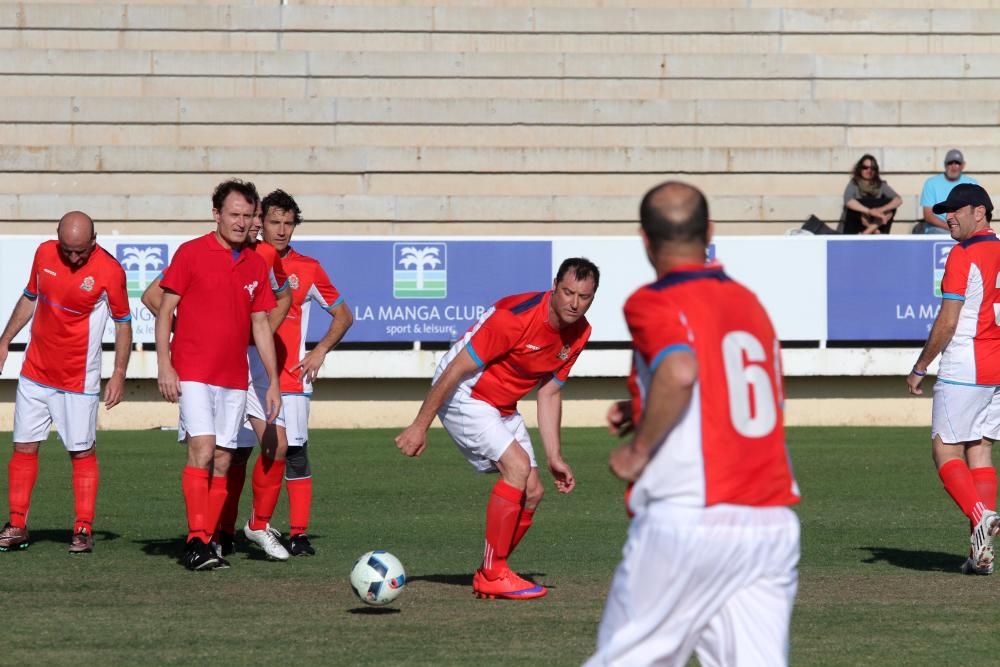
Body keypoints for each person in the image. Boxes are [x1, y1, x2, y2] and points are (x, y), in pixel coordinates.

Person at [586, 182, 800, 666]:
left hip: (690, 517)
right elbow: (721, 380)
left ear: (644, 239)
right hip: (769, 522)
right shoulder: (750, 302)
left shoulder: (653, 300)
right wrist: (642, 403)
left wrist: (638, 450)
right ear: (710, 233)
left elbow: (680, 371)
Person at [394, 258, 598, 600]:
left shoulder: (581, 332)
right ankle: (493, 573)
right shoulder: (515, 318)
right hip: (465, 393)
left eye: (584, 296)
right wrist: (420, 425)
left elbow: (549, 391)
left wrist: (555, 456)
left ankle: (492, 569)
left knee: (533, 491)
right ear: (554, 286)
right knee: (516, 469)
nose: (574, 303)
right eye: (567, 292)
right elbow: (455, 369)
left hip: (502, 405)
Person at [155, 179, 282, 571]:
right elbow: (164, 311)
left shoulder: (257, 263)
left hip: (233, 376)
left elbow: (260, 323)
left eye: (247, 216)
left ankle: (208, 541)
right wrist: (164, 364)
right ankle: (195, 541)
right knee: (204, 450)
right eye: (234, 214)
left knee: (225, 459)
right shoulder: (191, 253)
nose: (241, 222)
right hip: (193, 371)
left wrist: (273, 381)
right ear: (216, 214)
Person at [227, 189, 353, 558]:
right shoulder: (243, 260)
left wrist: (318, 352)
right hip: (239, 371)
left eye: (288, 223)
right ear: (259, 222)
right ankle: (226, 530)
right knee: (235, 454)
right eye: (274, 222)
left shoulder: (308, 268)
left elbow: (344, 315)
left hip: (288, 378)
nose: (281, 230)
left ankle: (296, 533)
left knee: (293, 452)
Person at [0, 212, 132, 554]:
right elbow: (31, 297)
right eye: (67, 250)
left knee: (81, 451)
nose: (74, 258)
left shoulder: (110, 271)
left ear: (94, 240)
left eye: (80, 251)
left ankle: (83, 528)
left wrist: (118, 372)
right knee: (24, 446)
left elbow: (122, 324)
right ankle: (16, 525)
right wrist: (4, 341)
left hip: (78, 379)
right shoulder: (44, 254)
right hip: (35, 372)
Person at [907, 183, 1000, 575]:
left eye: (956, 210)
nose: (948, 216)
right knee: (978, 450)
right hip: (996, 368)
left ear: (979, 212)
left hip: (965, 365)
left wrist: (920, 366)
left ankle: (981, 515)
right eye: (945, 210)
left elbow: (948, 321)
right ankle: (979, 552)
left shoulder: (964, 255)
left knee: (945, 451)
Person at [839, 154, 903, 234]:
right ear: (860, 169)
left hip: (875, 220)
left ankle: (867, 232)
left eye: (872, 168)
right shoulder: (854, 183)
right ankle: (873, 230)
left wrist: (880, 210)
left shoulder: (880, 185)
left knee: (890, 210)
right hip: (857, 224)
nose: (869, 171)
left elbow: (898, 200)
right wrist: (869, 211)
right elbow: (848, 201)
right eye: (865, 167)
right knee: (857, 210)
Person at [920, 149, 978, 235]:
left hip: (964, 228)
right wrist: (951, 227)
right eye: (950, 163)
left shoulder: (972, 183)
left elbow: (976, 211)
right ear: (945, 165)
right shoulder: (931, 183)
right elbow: (928, 215)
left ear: (963, 165)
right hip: (938, 228)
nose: (954, 166)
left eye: (957, 163)